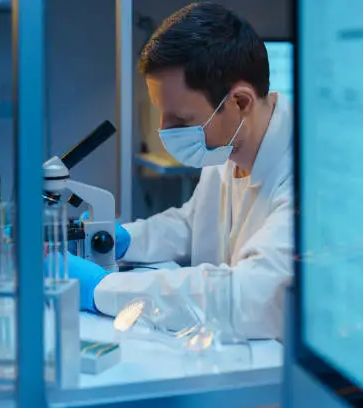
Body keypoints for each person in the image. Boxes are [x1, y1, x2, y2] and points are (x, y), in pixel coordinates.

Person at [60, 2, 293, 339]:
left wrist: (103, 288)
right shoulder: (227, 148)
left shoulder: (308, 173)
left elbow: (249, 296)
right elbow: (193, 224)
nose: (164, 131)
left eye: (181, 120)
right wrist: (122, 240)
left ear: (239, 102)